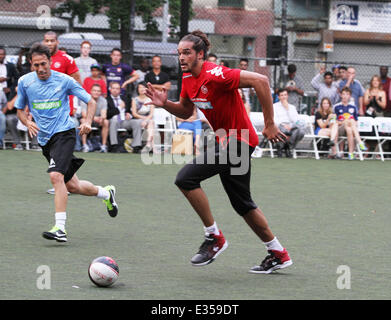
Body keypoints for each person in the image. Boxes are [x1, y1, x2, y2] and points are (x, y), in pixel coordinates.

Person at [145, 30, 292, 274]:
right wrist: (165, 104)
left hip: (240, 140)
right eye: (179, 53)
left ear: (200, 54)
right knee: (242, 204)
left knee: (186, 178)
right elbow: (184, 110)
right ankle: (278, 253)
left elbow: (261, 81)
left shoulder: (216, 73)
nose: (181, 57)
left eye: (187, 52)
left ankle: (214, 237)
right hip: (228, 142)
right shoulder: (188, 80)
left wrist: (269, 123)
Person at [14, 43, 118, 242]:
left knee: (55, 176)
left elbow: (91, 101)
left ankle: (60, 228)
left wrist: (87, 120)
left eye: (44, 64)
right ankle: (106, 194)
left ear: (50, 61)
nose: (41, 69)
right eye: (36, 65)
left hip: (64, 133)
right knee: (73, 186)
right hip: (46, 140)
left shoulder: (64, 81)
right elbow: (20, 109)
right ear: (31, 64)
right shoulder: (25, 82)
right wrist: (27, 122)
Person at [106, 81, 143, 153]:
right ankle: (114, 145)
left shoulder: (125, 98)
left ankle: (136, 146)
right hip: (113, 120)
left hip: (124, 121)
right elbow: (108, 114)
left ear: (120, 90)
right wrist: (119, 108)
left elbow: (129, 110)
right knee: (114, 121)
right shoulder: (107, 99)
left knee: (137, 122)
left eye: (117, 88)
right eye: (113, 88)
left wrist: (129, 114)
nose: (115, 90)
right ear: (110, 89)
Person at [334, 87, 367, 160]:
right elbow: (335, 121)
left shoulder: (353, 107)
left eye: (347, 94)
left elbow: (356, 121)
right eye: (343, 94)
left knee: (349, 128)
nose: (345, 96)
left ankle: (350, 153)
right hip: (340, 128)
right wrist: (344, 121)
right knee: (349, 121)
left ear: (350, 96)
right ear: (341, 95)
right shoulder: (337, 107)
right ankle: (360, 142)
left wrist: (349, 122)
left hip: (349, 128)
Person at [273, 88, 305, 158]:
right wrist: (283, 125)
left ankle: (288, 146)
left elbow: (296, 120)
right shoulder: (274, 106)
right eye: (282, 95)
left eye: (285, 95)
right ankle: (281, 147)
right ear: (279, 97)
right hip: (280, 126)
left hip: (291, 126)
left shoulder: (292, 107)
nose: (284, 97)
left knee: (301, 131)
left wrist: (287, 109)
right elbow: (274, 119)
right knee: (283, 130)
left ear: (287, 96)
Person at [80, 84, 109, 153]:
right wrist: (93, 118)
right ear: (91, 91)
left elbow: (104, 114)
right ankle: (84, 145)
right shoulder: (85, 99)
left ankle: (103, 146)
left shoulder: (103, 100)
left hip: (98, 120)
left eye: (98, 91)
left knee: (106, 122)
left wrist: (101, 118)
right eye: (94, 90)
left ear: (100, 93)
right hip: (87, 119)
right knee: (83, 121)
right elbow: (84, 114)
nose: (96, 92)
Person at [131, 82, 155, 154]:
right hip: (138, 119)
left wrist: (146, 120)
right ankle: (149, 145)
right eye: (139, 87)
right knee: (151, 123)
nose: (141, 89)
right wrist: (144, 119)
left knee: (151, 122)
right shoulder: (134, 100)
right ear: (137, 89)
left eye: (143, 87)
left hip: (148, 119)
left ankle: (148, 144)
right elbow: (134, 114)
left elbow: (151, 114)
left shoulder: (150, 99)